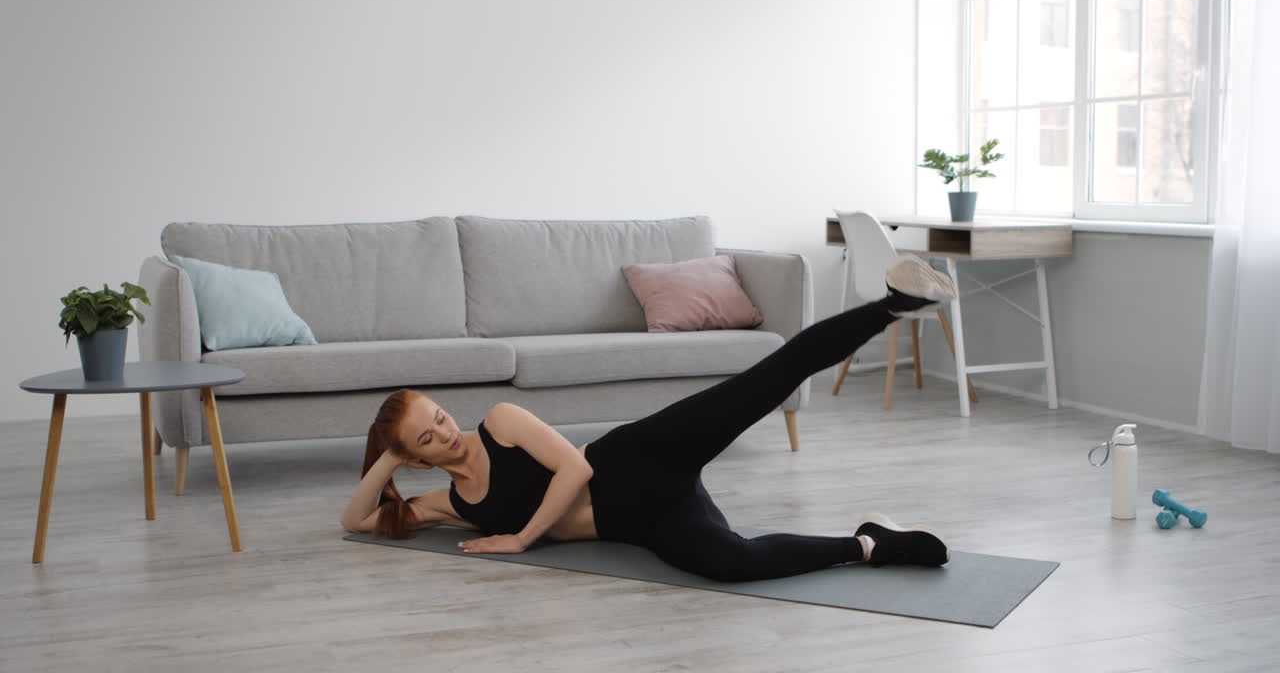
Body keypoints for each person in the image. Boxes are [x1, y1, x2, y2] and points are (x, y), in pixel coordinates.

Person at [341, 254, 956, 582]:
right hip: (644, 520)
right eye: (427, 439)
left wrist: (522, 539)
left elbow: (576, 469)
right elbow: (355, 521)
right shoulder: (449, 504)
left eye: (440, 416)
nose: (446, 433)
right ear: (417, 458)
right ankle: (871, 542)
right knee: (733, 564)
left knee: (768, 379)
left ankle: (895, 303)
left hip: (640, 455)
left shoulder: (500, 422)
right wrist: (388, 457)